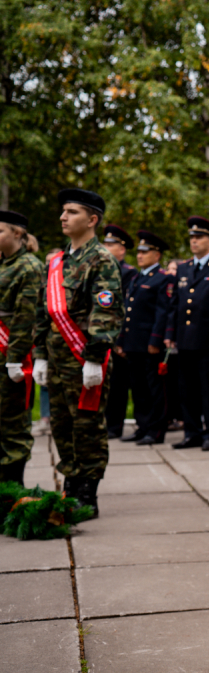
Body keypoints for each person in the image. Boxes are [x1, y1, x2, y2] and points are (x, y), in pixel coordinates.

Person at [32, 189, 123, 517]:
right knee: (61, 423)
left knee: (87, 424)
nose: (62, 217)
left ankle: (87, 491)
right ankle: (70, 480)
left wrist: (95, 358)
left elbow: (107, 312)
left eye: (71, 212)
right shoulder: (57, 262)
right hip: (57, 358)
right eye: (63, 211)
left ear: (92, 219)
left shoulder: (102, 260)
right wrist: (40, 352)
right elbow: (44, 311)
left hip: (84, 357)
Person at [164, 216, 209, 451]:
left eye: (199, 237)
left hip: (208, 340)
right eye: (192, 238)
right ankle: (192, 432)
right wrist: (170, 333)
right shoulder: (184, 268)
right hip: (185, 338)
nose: (194, 241)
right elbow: (175, 304)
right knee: (187, 389)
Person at [118, 231, 176, 446]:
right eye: (139, 252)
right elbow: (128, 311)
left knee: (155, 389)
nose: (140, 255)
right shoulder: (136, 277)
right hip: (133, 342)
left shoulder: (163, 278)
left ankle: (156, 429)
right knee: (139, 388)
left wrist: (156, 340)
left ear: (157, 255)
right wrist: (122, 340)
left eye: (145, 251)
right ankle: (142, 427)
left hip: (150, 343)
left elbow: (163, 312)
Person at [0, 210, 45, 485]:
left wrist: (15, 359)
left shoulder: (28, 266)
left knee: (12, 427)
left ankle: (11, 491)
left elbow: (26, 318)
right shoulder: (3, 264)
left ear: (17, 233)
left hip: (10, 359)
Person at [103, 224, 137, 440]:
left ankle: (115, 426)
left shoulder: (129, 273)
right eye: (105, 244)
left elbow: (126, 308)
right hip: (97, 335)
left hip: (118, 337)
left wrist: (119, 338)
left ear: (122, 249)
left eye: (111, 244)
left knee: (118, 385)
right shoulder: (99, 269)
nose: (106, 248)